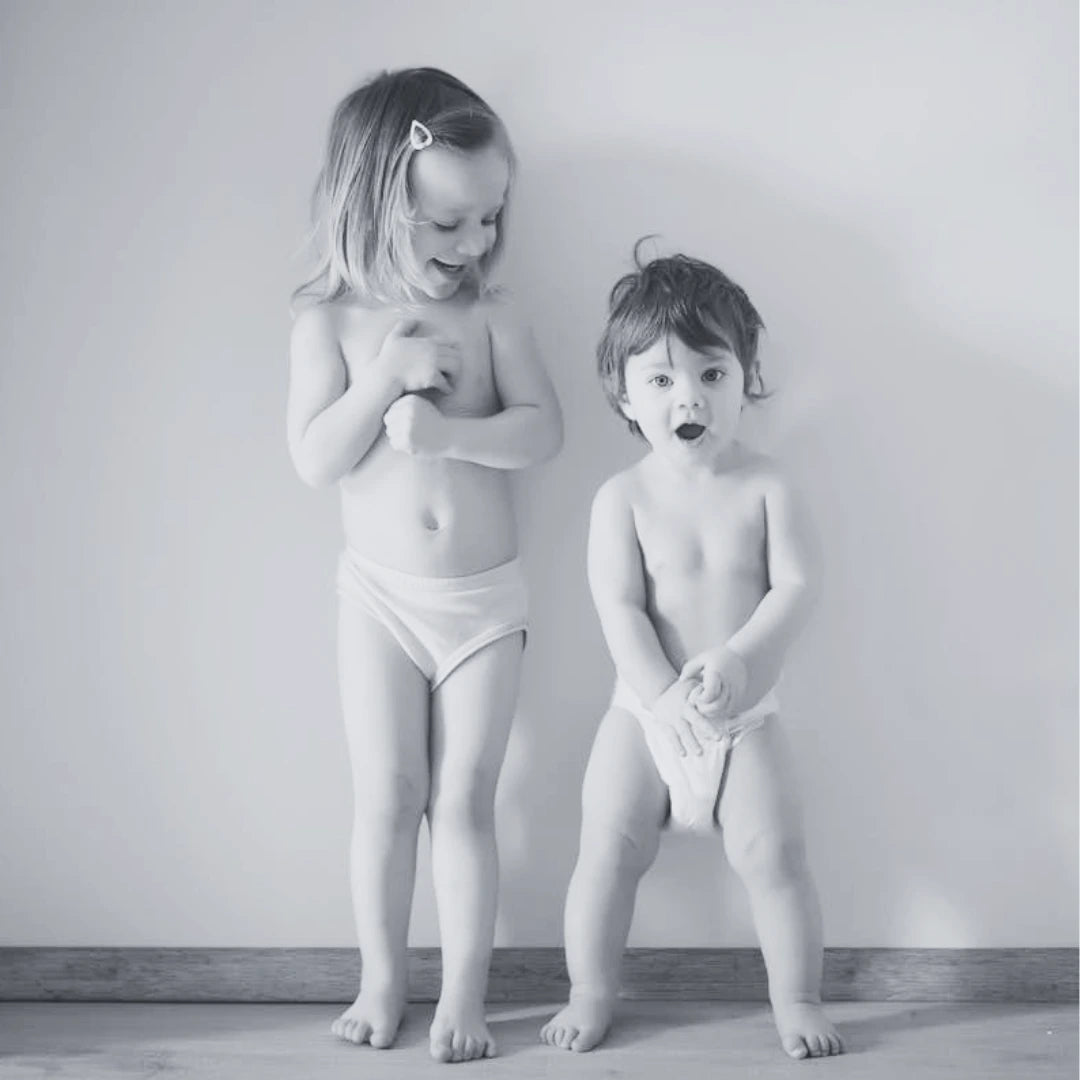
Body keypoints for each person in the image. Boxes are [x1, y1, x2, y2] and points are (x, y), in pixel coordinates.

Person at [287, 67, 562, 1064]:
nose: (473, 245)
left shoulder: (497, 315)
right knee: (389, 796)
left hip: (485, 603)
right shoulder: (332, 323)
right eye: (446, 225)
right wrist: (385, 384)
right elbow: (316, 459)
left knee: (468, 800)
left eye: (488, 219)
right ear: (375, 202)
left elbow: (542, 434)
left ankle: (465, 994)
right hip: (380, 600)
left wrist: (447, 433)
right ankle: (382, 978)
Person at [541, 246, 842, 1060]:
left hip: (745, 716)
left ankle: (798, 996)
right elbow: (620, 606)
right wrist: (660, 694)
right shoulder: (623, 498)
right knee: (605, 849)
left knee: (776, 855)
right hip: (643, 715)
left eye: (712, 374)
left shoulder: (768, 486)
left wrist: (743, 659)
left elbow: (797, 587)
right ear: (625, 395)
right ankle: (590, 991)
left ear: (746, 376)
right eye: (662, 380)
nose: (690, 398)